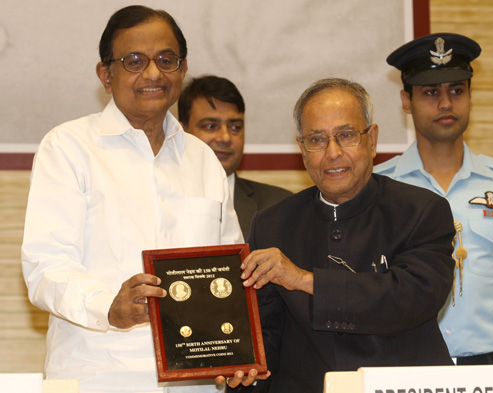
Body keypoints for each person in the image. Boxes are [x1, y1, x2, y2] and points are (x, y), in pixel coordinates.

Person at [21, 6, 245, 393]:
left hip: (197, 380)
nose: (154, 73)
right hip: (100, 376)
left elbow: (229, 267)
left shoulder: (203, 160)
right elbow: (45, 265)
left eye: (166, 59)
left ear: (183, 68)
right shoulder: (69, 147)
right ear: (106, 74)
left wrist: (240, 348)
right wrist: (108, 306)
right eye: (134, 61)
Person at [233, 78, 456, 393]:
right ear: (302, 149)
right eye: (317, 139)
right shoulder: (271, 224)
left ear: (372, 139)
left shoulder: (421, 210)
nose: (333, 152)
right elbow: (266, 332)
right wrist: (243, 368)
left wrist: (303, 279)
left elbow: (409, 298)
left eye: (346, 135)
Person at [375, 32, 493, 364]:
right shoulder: (378, 189)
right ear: (406, 101)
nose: (445, 103)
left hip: (489, 370)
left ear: (471, 95)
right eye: (430, 92)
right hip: (402, 374)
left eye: (457, 90)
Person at [178, 75, 292, 239]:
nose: (225, 137)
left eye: (235, 127)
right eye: (211, 126)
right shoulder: (161, 198)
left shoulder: (281, 206)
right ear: (183, 132)